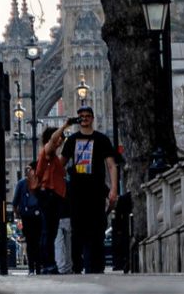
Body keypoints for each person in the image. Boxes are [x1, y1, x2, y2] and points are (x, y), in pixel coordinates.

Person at [60, 106, 118, 274]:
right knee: (77, 232)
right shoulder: (71, 141)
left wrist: (113, 189)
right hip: (77, 193)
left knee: (97, 231)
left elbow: (111, 165)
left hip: (97, 191)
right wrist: (64, 127)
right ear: (78, 120)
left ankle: (97, 268)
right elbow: (60, 165)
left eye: (87, 116)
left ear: (92, 118)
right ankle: (77, 268)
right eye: (81, 117)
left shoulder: (102, 140)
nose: (84, 119)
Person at [35, 122, 70, 274]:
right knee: (48, 232)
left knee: (51, 231)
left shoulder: (53, 157)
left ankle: (48, 264)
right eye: (59, 138)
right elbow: (52, 141)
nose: (61, 140)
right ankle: (48, 264)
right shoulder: (47, 152)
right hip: (49, 195)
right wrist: (65, 126)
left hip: (54, 197)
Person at [12, 161, 42, 274]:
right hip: (36, 215)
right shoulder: (38, 182)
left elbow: (15, 202)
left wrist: (18, 214)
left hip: (27, 216)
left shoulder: (21, 183)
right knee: (37, 242)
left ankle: (31, 268)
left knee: (30, 243)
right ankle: (37, 268)